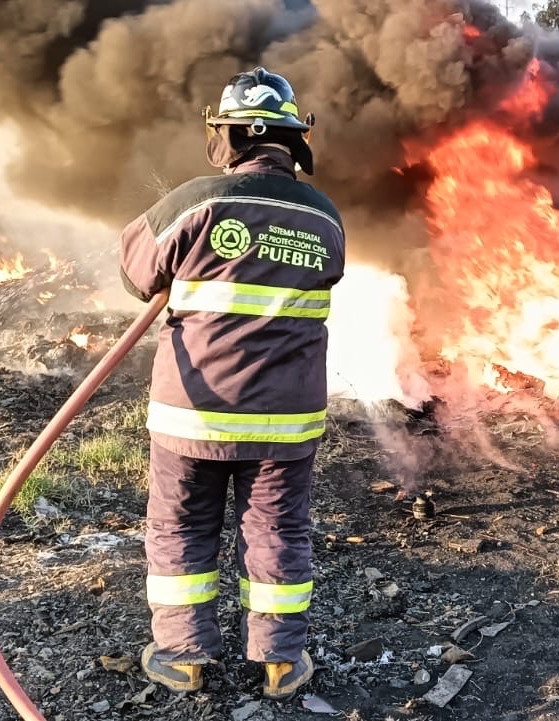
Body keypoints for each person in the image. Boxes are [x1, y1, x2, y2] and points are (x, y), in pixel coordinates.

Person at [118, 67, 344, 700]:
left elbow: (137, 271)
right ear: (290, 138)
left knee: (181, 526)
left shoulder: (194, 201)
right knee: (278, 529)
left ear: (235, 134)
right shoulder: (326, 218)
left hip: (195, 412)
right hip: (286, 419)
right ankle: (280, 661)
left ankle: (183, 657)